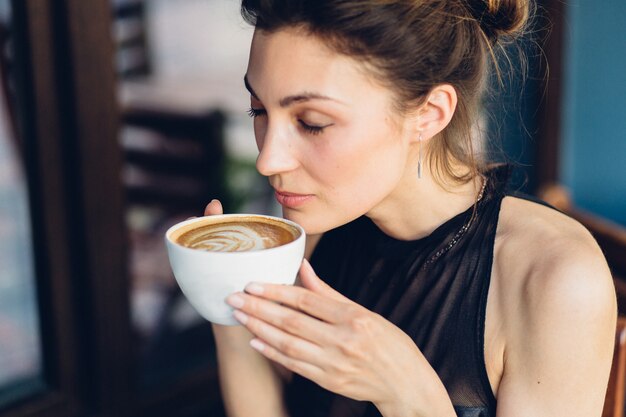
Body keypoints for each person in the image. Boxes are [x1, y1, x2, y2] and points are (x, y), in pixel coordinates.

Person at [206, 1, 617, 416]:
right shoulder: (317, 218)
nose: (268, 160)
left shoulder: (556, 279)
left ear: (429, 113)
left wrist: (408, 392)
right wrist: (226, 306)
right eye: (258, 109)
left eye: (312, 122)